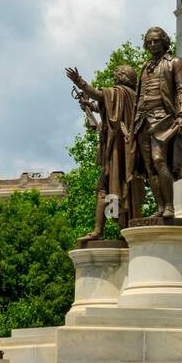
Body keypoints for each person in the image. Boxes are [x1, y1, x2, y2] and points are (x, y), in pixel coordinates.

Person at [66, 62, 143, 238]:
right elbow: (109, 109)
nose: (114, 76)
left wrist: (80, 82)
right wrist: (91, 106)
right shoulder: (132, 96)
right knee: (112, 190)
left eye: (117, 74)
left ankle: (102, 230)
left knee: (106, 189)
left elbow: (100, 95)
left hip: (117, 153)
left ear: (123, 77)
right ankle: (113, 228)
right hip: (121, 152)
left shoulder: (120, 92)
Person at [132, 27, 182, 220]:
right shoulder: (144, 66)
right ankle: (159, 207)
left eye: (156, 41)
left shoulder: (175, 63)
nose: (152, 45)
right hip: (142, 120)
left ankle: (169, 206)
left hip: (163, 119)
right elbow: (140, 95)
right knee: (148, 166)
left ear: (164, 41)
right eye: (149, 42)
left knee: (160, 160)